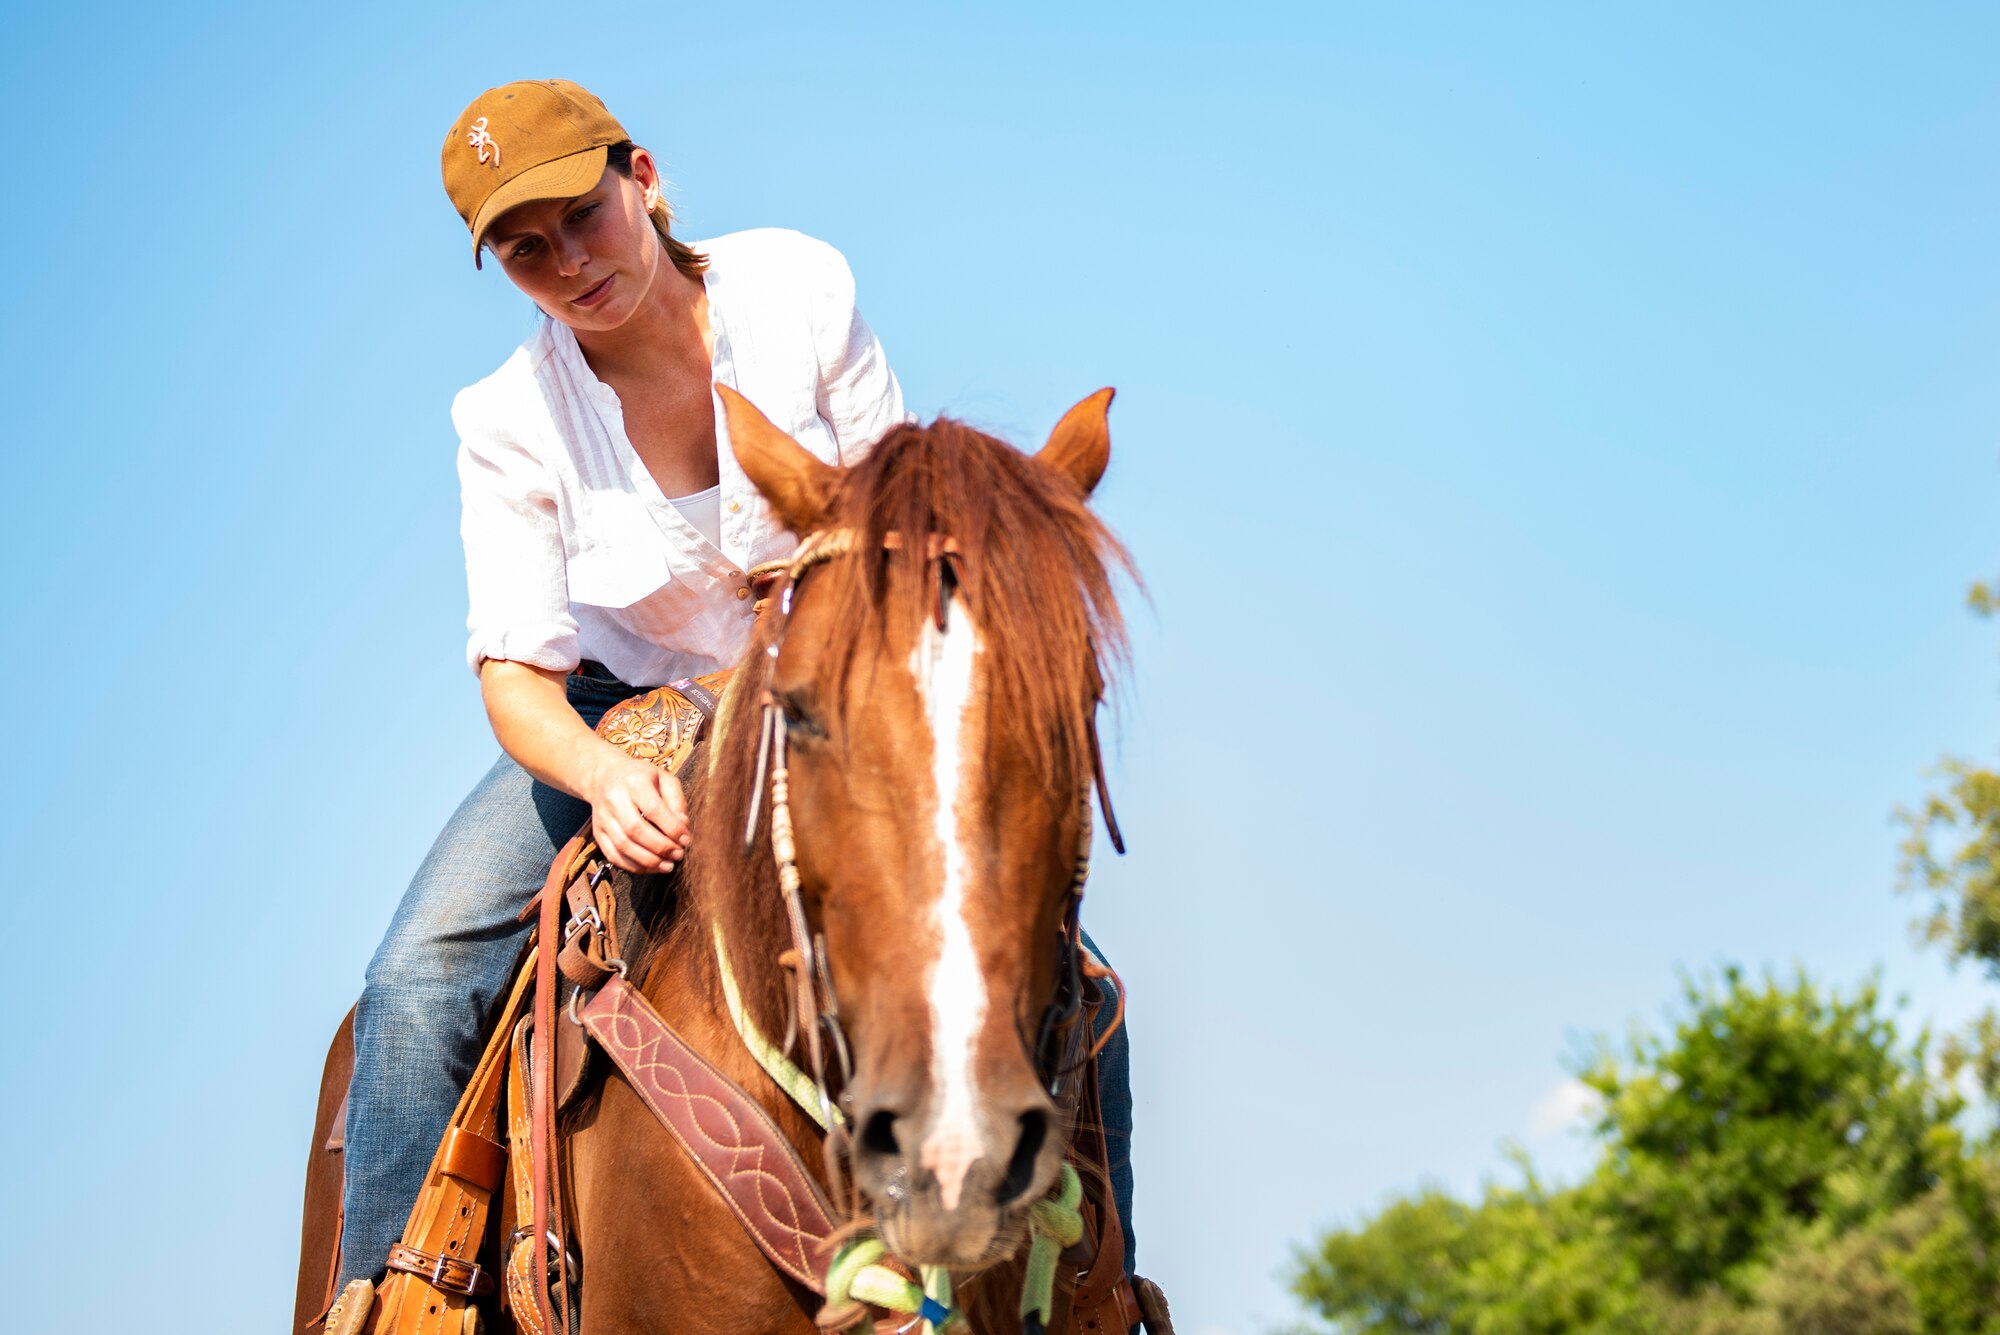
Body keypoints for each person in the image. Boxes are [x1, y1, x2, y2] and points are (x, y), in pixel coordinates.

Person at [337, 77, 1137, 1306]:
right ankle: (393, 1303)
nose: (567, 263)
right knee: (417, 978)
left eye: (580, 215)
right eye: (523, 249)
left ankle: (1104, 1290)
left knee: (1070, 973)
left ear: (641, 178)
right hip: (617, 720)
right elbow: (514, 675)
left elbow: (896, 516)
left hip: (820, 693)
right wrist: (605, 779)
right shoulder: (504, 419)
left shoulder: (800, 286)